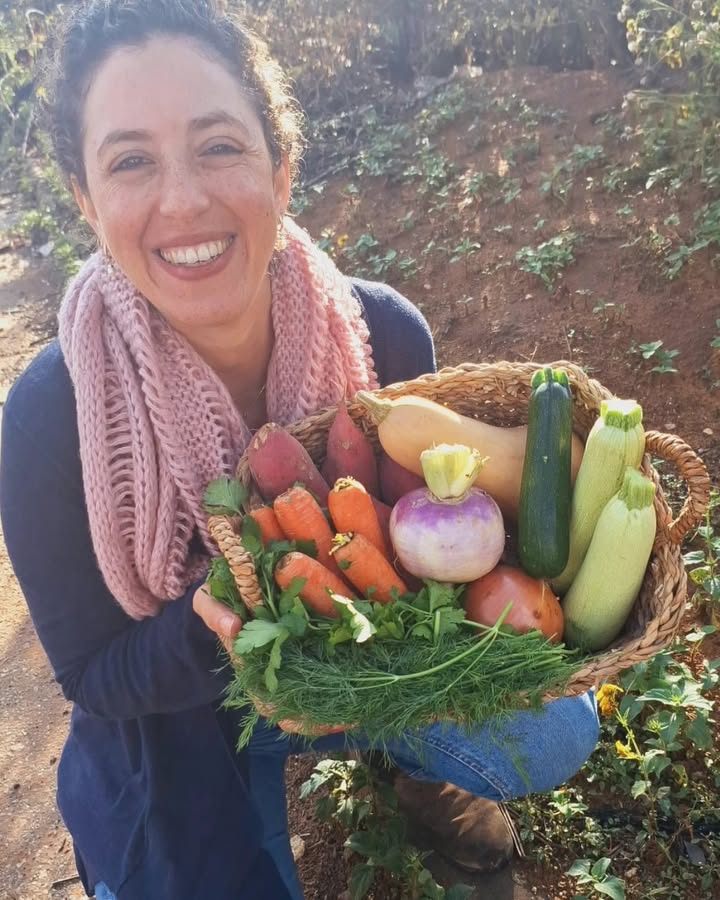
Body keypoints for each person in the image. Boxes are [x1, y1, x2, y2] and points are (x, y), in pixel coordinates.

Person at [0, 2, 600, 898]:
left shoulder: (384, 338)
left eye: (219, 146)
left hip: (364, 663)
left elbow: (436, 556)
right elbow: (92, 674)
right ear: (86, 201)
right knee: (206, 870)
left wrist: (357, 653)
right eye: (130, 161)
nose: (184, 199)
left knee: (557, 731)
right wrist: (238, 631)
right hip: (183, 698)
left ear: (281, 170)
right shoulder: (50, 416)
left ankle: (416, 772)